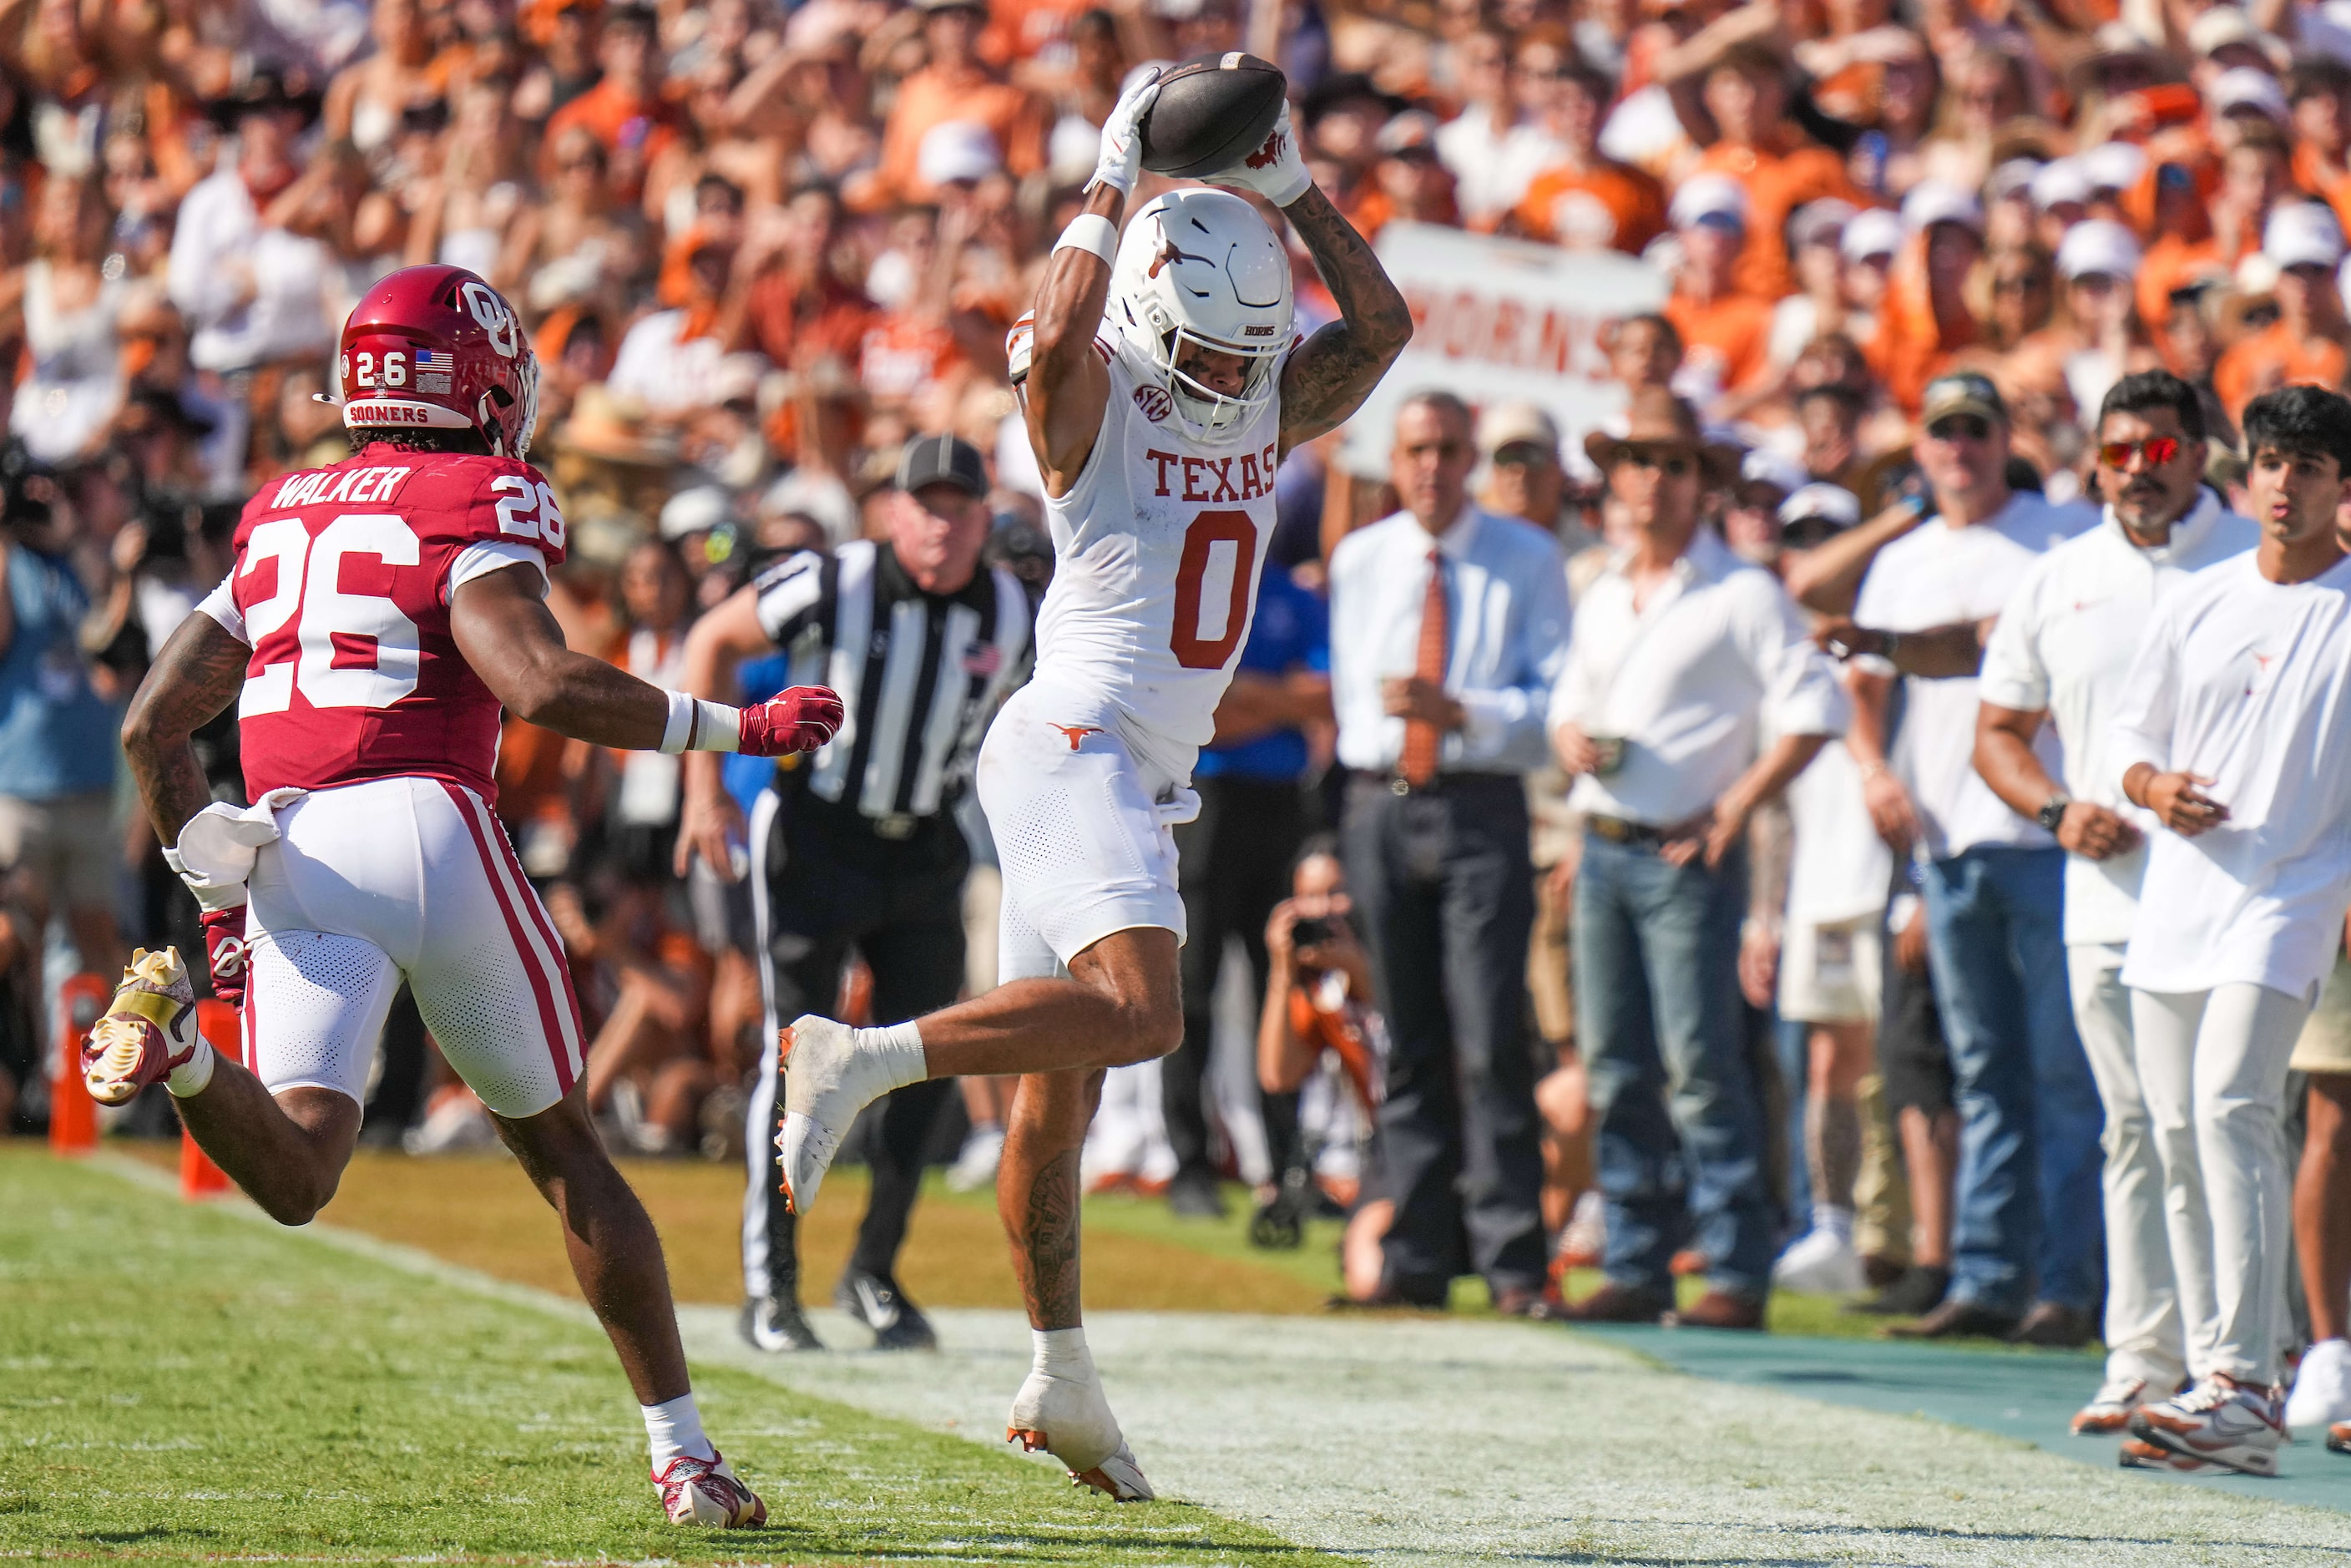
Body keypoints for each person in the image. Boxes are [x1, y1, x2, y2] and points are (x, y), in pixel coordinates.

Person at [94, 266, 843, 1529]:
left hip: (290, 847)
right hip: (428, 821)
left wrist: (219, 905)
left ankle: (176, 1057)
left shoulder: (280, 508)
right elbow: (536, 679)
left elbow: (152, 725)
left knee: (301, 1170)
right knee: (563, 1153)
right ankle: (684, 1456)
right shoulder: (473, 491)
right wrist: (738, 725)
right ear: (479, 381)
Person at [760, 78, 1409, 1500]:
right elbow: (1055, 331)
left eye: (1254, 359)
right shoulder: (1088, 403)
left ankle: (1061, 1371)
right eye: (1217, 355)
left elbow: (1379, 331)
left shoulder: (1251, 395)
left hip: (1131, 772)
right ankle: (856, 1058)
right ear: (1146, 318)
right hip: (1075, 744)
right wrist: (1111, 172)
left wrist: (1293, 187)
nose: (1241, 379)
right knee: (1146, 1014)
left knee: (1050, 1108)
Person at [676, 432, 1033, 1353]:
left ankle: (873, 1269)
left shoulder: (1009, 604)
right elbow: (713, 639)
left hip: (926, 848)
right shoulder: (836, 578)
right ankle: (772, 1285)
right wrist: (705, 787)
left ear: (982, 519)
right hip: (819, 836)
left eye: (959, 508)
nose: (941, 526)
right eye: (925, 505)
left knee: (923, 1061)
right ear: (892, 511)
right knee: (795, 1056)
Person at [1971, 371, 2257, 1433]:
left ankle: (2240, 1360)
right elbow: (1996, 731)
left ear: (2196, 455)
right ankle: (2140, 1357)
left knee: (2222, 1126)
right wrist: (2056, 812)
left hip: (2232, 896)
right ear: (2093, 460)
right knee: (2135, 1129)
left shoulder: (2253, 562)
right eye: (2120, 449)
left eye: (2159, 448)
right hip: (2102, 895)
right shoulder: (2059, 577)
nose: (2138, 468)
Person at [1816, 371, 2104, 1345]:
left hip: (2046, 830)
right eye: (1942, 433)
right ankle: (1988, 1275)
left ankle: (2066, 1285)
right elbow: (1851, 669)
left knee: (2064, 1073)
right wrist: (1871, 772)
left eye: (1975, 430)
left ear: (2000, 439)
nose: (1959, 448)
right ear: (1923, 448)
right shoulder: (1901, 555)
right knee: (1984, 1073)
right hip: (1945, 839)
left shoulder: (2059, 535)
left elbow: (1998, 653)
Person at [1551, 389, 1848, 1329]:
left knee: (1697, 1065)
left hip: (1678, 853)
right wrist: (1568, 743)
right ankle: (1638, 1259)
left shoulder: (1742, 592)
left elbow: (1816, 710)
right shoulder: (1603, 589)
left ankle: (1732, 1265)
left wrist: (1729, 810)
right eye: (1638, 461)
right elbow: (1568, 702)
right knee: (1613, 1065)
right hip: (1603, 844)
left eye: (1672, 464)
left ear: (1702, 485)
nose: (1652, 480)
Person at [2106, 384, 2351, 1477]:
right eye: (2271, 463)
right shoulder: (2196, 598)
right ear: (2246, 473)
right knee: (2171, 1134)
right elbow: (2127, 740)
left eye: (2308, 465)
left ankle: (2251, 1380)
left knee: (2231, 1107)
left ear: (2343, 484)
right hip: (2176, 900)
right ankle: (2219, 1383)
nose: (2285, 484)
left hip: (2292, 897)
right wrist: (2154, 787)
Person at [1330, 390, 1568, 1314]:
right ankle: (1416, 1256)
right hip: (1380, 802)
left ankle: (1513, 1262)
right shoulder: (1363, 558)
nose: (1430, 466)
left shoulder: (1526, 558)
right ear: (1395, 462)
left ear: (1470, 459)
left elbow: (1551, 711)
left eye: (1447, 449)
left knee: (1489, 1034)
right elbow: (1354, 708)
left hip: (1477, 805)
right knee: (1410, 1038)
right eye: (1416, 449)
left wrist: (1459, 712)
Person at [1164, 550, 1331, 1220]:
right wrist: (1281, 701)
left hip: (1280, 804)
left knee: (1285, 986)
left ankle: (1290, 1166)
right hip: (1206, 800)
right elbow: (1196, 701)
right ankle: (1189, 1164)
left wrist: (1243, 694)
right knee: (1190, 988)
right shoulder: (1192, 582)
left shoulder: (1294, 592)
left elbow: (1328, 694)